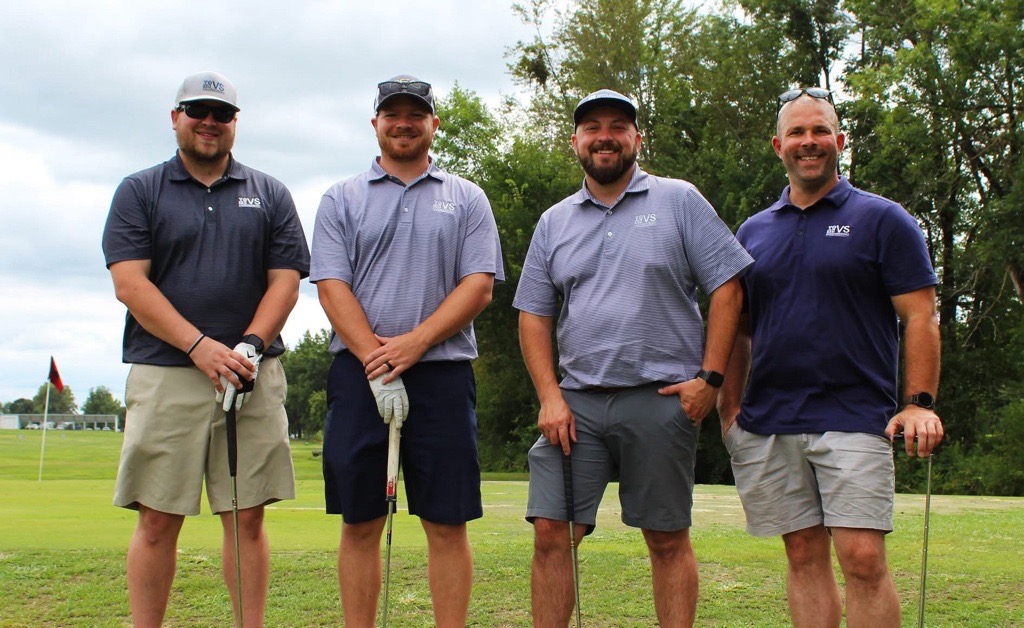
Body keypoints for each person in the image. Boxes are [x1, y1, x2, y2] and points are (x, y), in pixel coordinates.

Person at [514, 88, 754, 627]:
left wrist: (710, 379)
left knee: (666, 539)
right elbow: (533, 314)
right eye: (592, 127)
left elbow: (728, 287)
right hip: (574, 404)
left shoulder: (679, 199)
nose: (605, 136)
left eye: (618, 126)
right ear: (575, 141)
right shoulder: (554, 221)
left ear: (637, 139)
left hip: (661, 398)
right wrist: (549, 396)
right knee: (553, 532)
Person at [717, 87, 945, 628]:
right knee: (802, 555)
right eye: (796, 133)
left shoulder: (883, 220)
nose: (809, 142)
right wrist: (730, 411)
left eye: (820, 130)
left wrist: (917, 404)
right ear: (778, 146)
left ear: (840, 141)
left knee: (863, 559)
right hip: (771, 419)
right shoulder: (753, 231)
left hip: (855, 415)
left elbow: (921, 317)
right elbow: (739, 330)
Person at [102, 71, 310, 627]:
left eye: (222, 114)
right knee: (156, 520)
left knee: (246, 520)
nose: (209, 122)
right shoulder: (139, 190)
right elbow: (131, 284)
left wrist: (247, 345)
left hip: (250, 374)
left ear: (235, 123)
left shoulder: (270, 193)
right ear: (176, 117)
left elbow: (286, 281)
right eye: (197, 110)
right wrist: (199, 347)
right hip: (165, 372)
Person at [310, 74, 504, 627]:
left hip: (441, 374)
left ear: (433, 125)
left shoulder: (467, 197)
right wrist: (378, 360)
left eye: (414, 114)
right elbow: (330, 285)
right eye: (391, 114)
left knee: (446, 522)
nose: (403, 122)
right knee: (360, 521)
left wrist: (413, 345)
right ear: (375, 124)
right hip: (358, 374)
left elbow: (479, 285)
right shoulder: (341, 196)